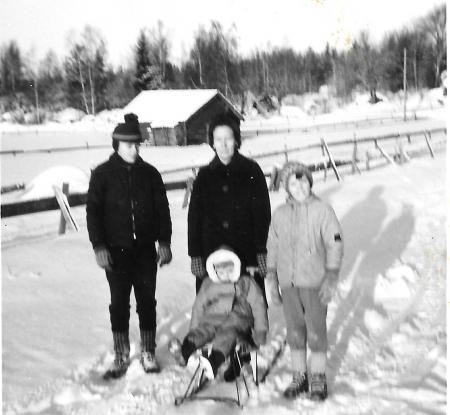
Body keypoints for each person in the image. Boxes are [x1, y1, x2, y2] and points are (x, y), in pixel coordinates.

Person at [86, 113, 172, 379]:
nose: (134, 149)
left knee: (147, 302)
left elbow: (162, 210)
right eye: (128, 145)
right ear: (117, 145)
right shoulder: (102, 174)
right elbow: (93, 214)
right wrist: (99, 246)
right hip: (116, 252)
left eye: (137, 144)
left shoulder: (150, 174)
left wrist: (164, 242)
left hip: (145, 250)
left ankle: (148, 351)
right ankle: (121, 353)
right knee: (119, 303)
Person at [265, 161, 343, 401]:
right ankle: (299, 376)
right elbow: (272, 246)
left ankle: (318, 377)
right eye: (292, 183)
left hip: (315, 282)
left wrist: (331, 275)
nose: (299, 187)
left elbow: (335, 244)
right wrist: (271, 277)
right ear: (286, 188)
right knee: (295, 332)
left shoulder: (323, 210)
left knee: (316, 331)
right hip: (289, 284)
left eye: (303, 181)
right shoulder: (280, 214)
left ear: (310, 182)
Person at [187, 112, 271, 295]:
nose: (223, 145)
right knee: (215, 305)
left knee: (249, 303)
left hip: (247, 253)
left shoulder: (252, 171)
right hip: (212, 255)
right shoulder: (204, 176)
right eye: (218, 139)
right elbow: (194, 219)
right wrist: (195, 255)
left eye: (228, 138)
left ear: (236, 140)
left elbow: (262, 215)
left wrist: (260, 251)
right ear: (212, 142)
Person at [168, 247, 268, 381]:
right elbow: (199, 306)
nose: (225, 275)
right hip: (213, 318)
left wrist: (260, 330)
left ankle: (214, 362)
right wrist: (194, 328)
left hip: (237, 319)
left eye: (229, 270)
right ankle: (184, 352)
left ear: (236, 266)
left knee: (227, 335)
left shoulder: (245, 282)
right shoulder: (209, 284)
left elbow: (259, 305)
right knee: (202, 332)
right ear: (214, 270)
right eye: (221, 271)